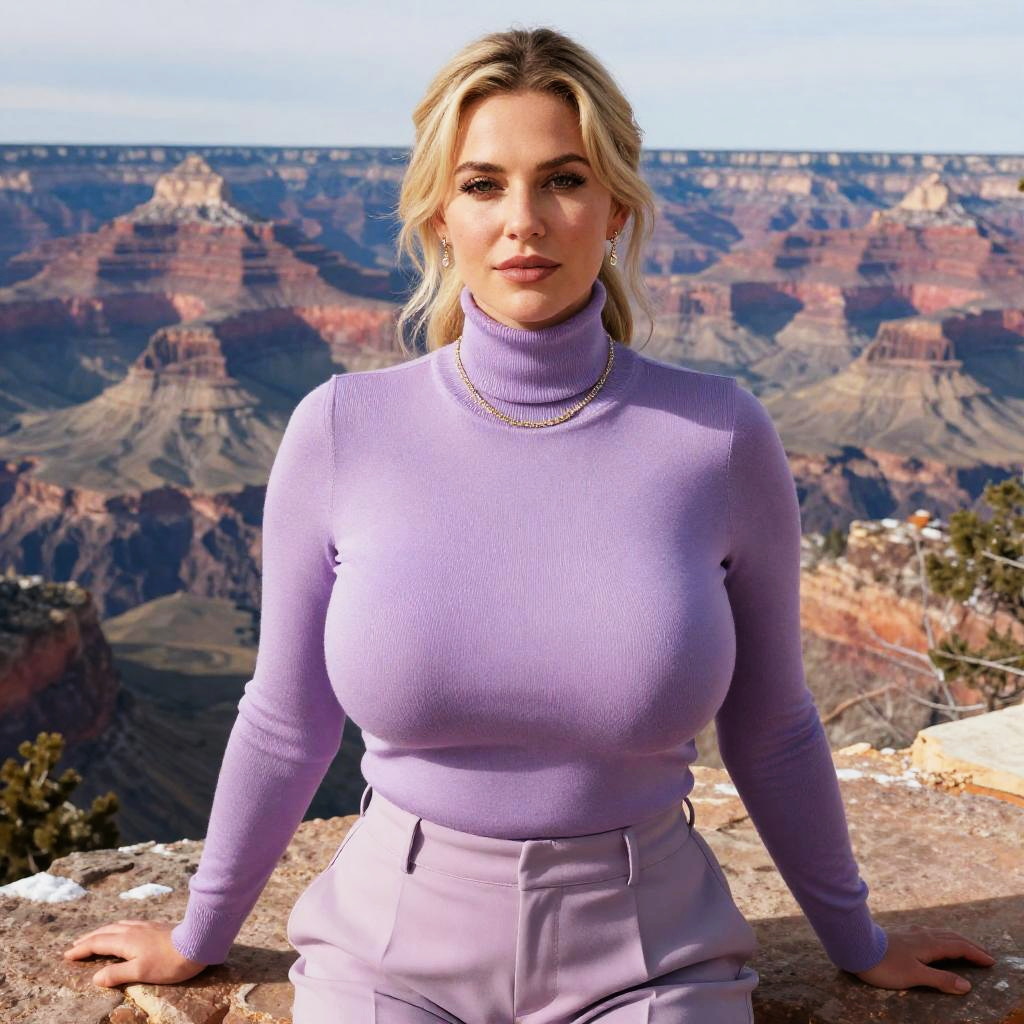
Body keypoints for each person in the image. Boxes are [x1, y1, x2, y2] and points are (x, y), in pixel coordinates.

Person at [64, 24, 995, 1022]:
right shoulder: (341, 428)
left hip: (652, 951)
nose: (523, 222)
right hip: (386, 945)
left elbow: (770, 725)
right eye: (482, 185)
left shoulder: (718, 434)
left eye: (562, 179)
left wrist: (857, 941)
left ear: (615, 209)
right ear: (435, 215)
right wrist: (197, 934)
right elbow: (288, 718)